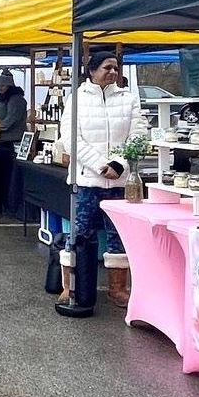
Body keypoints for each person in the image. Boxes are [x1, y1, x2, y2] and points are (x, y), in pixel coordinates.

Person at [54, 51, 149, 319]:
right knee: (81, 232)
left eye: (116, 67)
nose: (112, 71)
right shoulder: (77, 100)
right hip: (87, 179)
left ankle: (118, 288)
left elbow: (138, 135)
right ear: (92, 70)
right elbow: (71, 138)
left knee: (119, 234)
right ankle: (70, 285)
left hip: (119, 181)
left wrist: (120, 164)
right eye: (107, 67)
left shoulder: (128, 100)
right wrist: (99, 165)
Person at [0, 71, 28, 213]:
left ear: (10, 86)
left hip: (10, 142)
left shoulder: (17, 100)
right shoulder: (0, 99)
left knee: (4, 173)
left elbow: (10, 121)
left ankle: (4, 202)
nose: (0, 88)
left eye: (3, 86)